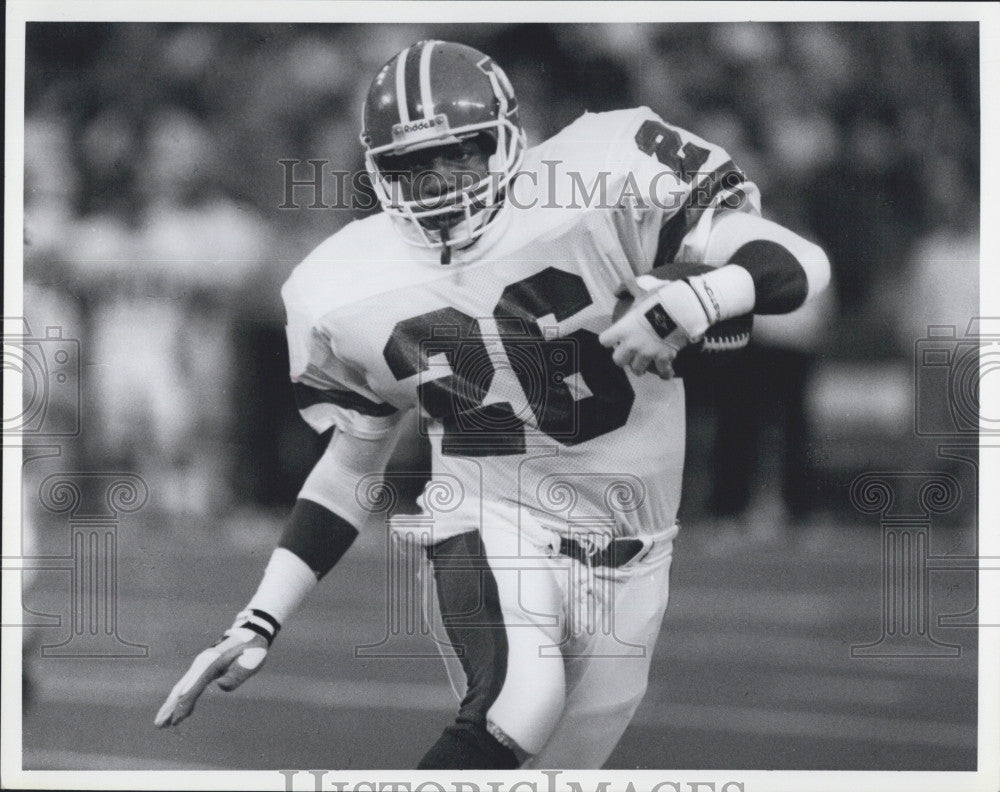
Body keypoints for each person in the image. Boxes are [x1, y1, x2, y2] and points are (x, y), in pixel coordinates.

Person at [155, 40, 830, 769]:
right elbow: (351, 466)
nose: (438, 184)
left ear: (508, 138)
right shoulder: (343, 283)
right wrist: (261, 616)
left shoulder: (605, 170)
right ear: (378, 173)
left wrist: (700, 298)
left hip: (637, 554)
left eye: (460, 155)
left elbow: (798, 263)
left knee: (554, 772)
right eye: (411, 167)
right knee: (518, 703)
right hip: (486, 521)